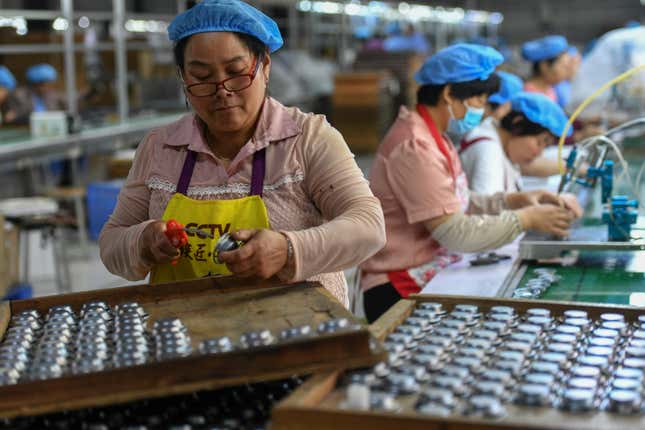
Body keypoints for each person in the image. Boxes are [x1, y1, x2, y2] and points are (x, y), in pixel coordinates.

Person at [99, 0, 386, 307]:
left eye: (236, 72)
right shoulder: (160, 148)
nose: (222, 90)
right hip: (185, 335)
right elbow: (111, 241)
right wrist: (143, 242)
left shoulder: (308, 140)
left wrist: (288, 249)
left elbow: (369, 226)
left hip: (296, 334)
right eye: (202, 76)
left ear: (264, 65)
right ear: (183, 78)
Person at [360, 44, 581, 322]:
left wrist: (513, 201)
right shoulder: (415, 146)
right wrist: (525, 219)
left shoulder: (435, 136)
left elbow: (454, 200)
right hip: (396, 287)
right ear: (449, 93)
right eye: (478, 101)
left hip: (426, 270)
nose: (483, 112)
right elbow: (454, 231)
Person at [460, 92, 571, 194]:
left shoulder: (502, 147)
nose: (539, 153)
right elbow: (488, 208)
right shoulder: (488, 150)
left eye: (545, 146)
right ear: (517, 125)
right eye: (539, 143)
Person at [521, 35, 570, 102]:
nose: (566, 72)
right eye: (563, 66)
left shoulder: (551, 91)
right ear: (544, 66)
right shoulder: (528, 95)